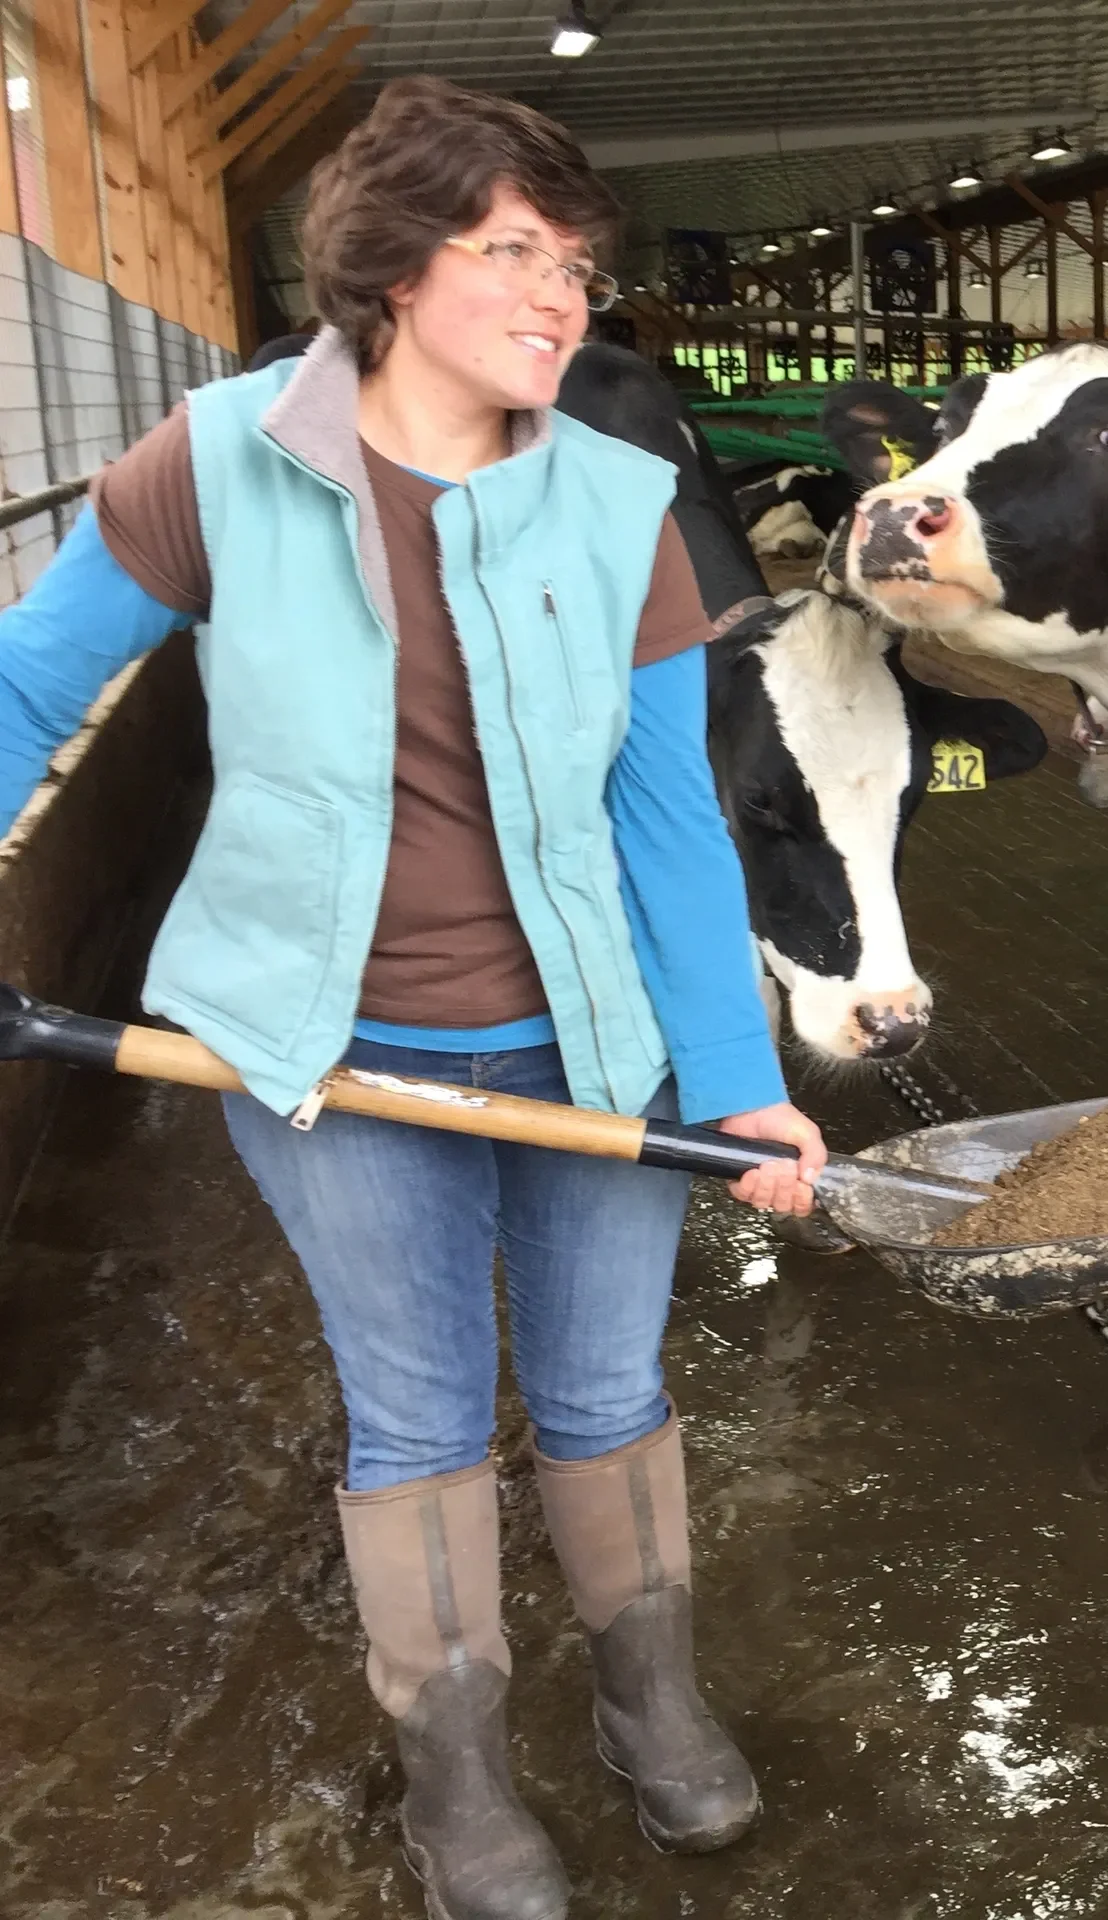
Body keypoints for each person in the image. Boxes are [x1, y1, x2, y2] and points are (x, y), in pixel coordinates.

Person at [0, 74, 827, 1920]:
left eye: (581, 262)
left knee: (611, 1385)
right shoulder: (215, 463)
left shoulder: (623, 507)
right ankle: (457, 1767)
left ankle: (648, 1692)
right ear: (389, 267)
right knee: (420, 1409)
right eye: (516, 251)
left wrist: (737, 1076)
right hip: (317, 1050)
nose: (564, 294)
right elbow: (23, 691)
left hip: (590, 1046)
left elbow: (675, 822)